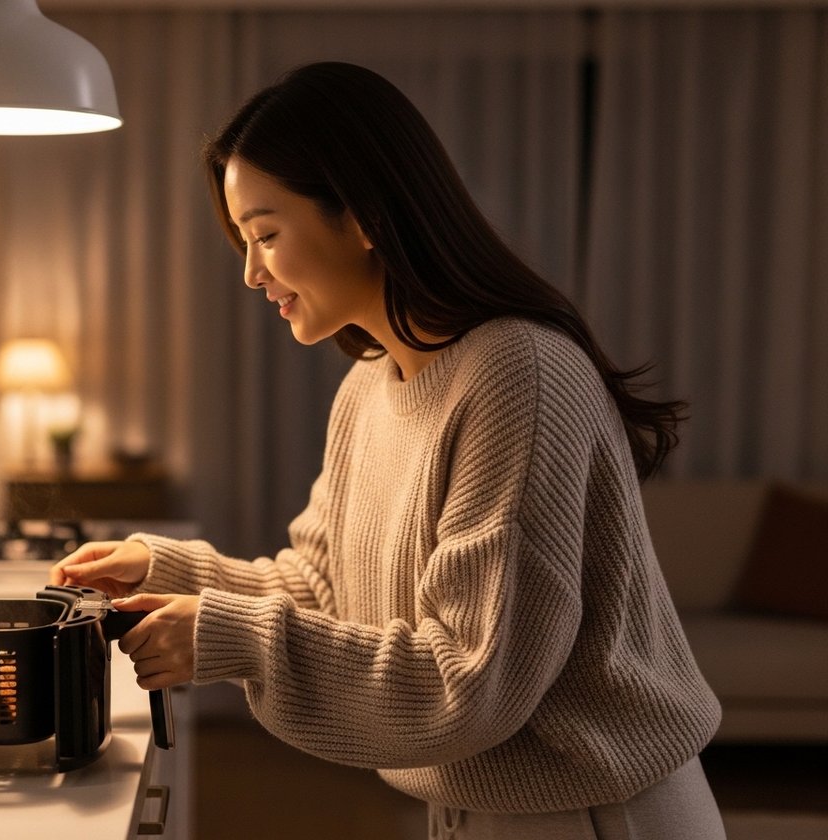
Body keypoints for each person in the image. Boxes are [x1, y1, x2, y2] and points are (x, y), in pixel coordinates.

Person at [50, 61, 725, 839]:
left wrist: (221, 636)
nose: (250, 272)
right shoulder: (371, 385)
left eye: (266, 234)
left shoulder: (516, 373)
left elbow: (471, 679)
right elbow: (328, 588)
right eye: (243, 241)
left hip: (596, 814)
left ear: (364, 214)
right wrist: (161, 569)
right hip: (492, 805)